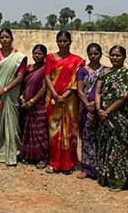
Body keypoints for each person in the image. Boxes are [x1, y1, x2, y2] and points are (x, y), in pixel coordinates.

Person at [95, 45, 128, 190]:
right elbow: (98, 91)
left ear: (124, 57)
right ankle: (104, 177)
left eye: (118, 55)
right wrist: (99, 109)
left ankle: (118, 181)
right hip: (103, 116)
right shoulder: (104, 73)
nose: (115, 58)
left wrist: (107, 111)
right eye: (112, 55)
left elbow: (124, 97)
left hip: (120, 117)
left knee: (118, 148)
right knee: (104, 145)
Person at [45, 30, 85, 174]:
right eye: (60, 41)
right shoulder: (50, 58)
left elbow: (76, 82)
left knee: (70, 131)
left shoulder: (77, 61)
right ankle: (54, 163)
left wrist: (64, 95)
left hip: (70, 100)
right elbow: (48, 77)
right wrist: (56, 95)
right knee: (54, 133)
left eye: (65, 41)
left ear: (70, 42)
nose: (62, 44)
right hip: (53, 99)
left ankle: (69, 162)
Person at [0, 28, 27, 166]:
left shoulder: (19, 56)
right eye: (2, 37)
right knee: (1, 126)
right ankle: (2, 154)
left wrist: (4, 90)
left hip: (11, 94)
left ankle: (14, 154)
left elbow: (20, 77)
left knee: (13, 126)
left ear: (12, 38)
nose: (4, 40)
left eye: (7, 37)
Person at [75, 43, 108, 179]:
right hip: (85, 108)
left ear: (100, 54)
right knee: (87, 138)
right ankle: (86, 168)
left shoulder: (106, 71)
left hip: (101, 108)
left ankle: (100, 168)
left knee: (100, 138)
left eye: (96, 54)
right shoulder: (82, 71)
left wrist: (96, 104)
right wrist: (88, 105)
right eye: (91, 54)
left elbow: (106, 90)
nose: (93, 56)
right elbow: (79, 90)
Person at [19, 44, 50, 168]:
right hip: (26, 104)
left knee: (40, 132)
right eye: (35, 53)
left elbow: (44, 88)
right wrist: (22, 98)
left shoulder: (46, 69)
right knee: (27, 132)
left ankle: (43, 158)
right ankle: (29, 155)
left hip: (39, 105)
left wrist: (32, 101)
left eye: (40, 54)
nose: (37, 56)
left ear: (44, 56)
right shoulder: (28, 68)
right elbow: (23, 84)